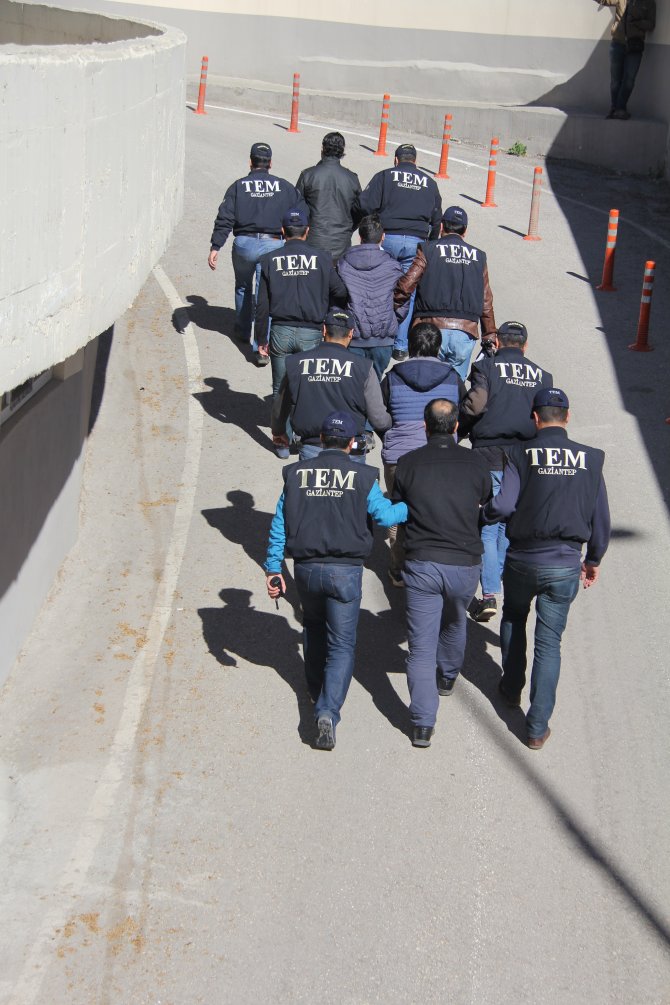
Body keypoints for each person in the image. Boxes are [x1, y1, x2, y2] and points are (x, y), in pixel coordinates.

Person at [265, 410, 408, 750]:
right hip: (345, 572)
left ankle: (316, 691)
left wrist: (273, 567)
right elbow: (386, 516)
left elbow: (279, 523)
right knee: (341, 644)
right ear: (353, 443)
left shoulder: (296, 474)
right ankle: (327, 711)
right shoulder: (363, 477)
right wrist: (411, 506)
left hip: (306, 569)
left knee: (313, 628)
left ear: (321, 439)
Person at [481, 387, 610, 749]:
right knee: (549, 644)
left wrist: (483, 515)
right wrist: (593, 560)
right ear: (567, 417)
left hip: (522, 559)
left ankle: (510, 687)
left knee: (513, 617)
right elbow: (601, 519)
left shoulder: (520, 454)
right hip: (565, 564)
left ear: (535, 419)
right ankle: (537, 727)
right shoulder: (591, 458)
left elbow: (504, 505)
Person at [392, 399, 491, 748]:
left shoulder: (407, 464)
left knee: (420, 646)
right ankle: (448, 677)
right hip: (465, 564)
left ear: (425, 425)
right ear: (455, 426)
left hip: (422, 563)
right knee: (455, 621)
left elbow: (399, 511)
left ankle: (422, 724)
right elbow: (485, 502)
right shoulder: (476, 464)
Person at [458, 321, 553, 623]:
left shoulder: (486, 367)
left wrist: (460, 429)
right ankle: (497, 582)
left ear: (497, 342)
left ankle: (488, 594)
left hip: (489, 454)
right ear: (525, 345)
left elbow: (475, 406)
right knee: (508, 523)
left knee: (487, 522)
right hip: (524, 457)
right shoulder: (543, 376)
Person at [255, 208, 348, 455]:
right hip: (311, 332)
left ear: (282, 231)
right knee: (310, 387)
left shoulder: (269, 260)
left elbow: (261, 305)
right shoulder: (322, 259)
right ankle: (307, 437)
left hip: (280, 331)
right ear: (307, 231)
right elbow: (340, 291)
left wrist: (260, 339)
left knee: (280, 389)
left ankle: (281, 440)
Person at [380, 322, 465, 587]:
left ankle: (398, 570)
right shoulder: (452, 377)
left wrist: (392, 435)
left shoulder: (393, 376)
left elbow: (380, 414)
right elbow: (461, 413)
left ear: (412, 345)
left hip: (399, 457)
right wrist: (455, 438)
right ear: (439, 348)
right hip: (442, 458)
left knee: (400, 515)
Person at [208, 142, 305, 349]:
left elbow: (225, 217)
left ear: (250, 162)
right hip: (273, 245)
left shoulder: (238, 186)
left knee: (243, 286)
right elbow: (302, 212)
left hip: (245, 243)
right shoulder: (285, 187)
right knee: (267, 293)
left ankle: (243, 330)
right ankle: (262, 343)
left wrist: (216, 246)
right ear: (270, 163)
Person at [271, 307, 392, 462]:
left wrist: (279, 430)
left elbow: (280, 405)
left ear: (323, 330)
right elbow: (379, 419)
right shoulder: (364, 367)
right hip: (350, 448)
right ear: (351, 333)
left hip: (311, 446)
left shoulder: (296, 363)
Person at [357, 143, 443, 362]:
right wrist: (428, 248)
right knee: (408, 292)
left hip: (388, 238)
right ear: (416, 161)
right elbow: (436, 220)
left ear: (396, 160)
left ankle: (376, 333)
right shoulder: (430, 183)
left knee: (378, 284)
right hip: (416, 242)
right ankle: (400, 345)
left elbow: (365, 204)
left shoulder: (385, 177)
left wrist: (374, 225)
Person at [394, 206, 496, 381]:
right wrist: (490, 334)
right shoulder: (479, 256)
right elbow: (486, 299)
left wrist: (392, 305)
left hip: (430, 330)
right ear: (465, 231)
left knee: (423, 383)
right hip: (465, 333)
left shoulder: (428, 249)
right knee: (453, 390)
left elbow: (407, 284)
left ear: (441, 227)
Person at [337, 215, 409, 380]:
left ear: (360, 237)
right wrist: (394, 319)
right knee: (373, 390)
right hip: (382, 341)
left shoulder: (344, 263)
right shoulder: (393, 266)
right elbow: (404, 297)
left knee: (351, 390)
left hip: (353, 338)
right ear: (383, 237)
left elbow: (336, 297)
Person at [296, 132, 362, 260]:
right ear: (342, 151)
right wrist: (347, 229)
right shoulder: (352, 178)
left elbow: (297, 209)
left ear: (322, 149)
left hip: (313, 241)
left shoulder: (308, 175)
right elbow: (360, 211)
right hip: (341, 243)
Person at [594, 0, 656, 120]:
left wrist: (637, 23)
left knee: (629, 80)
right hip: (618, 43)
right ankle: (616, 109)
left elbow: (651, 24)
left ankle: (619, 108)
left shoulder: (649, 2)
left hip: (635, 45)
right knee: (615, 81)